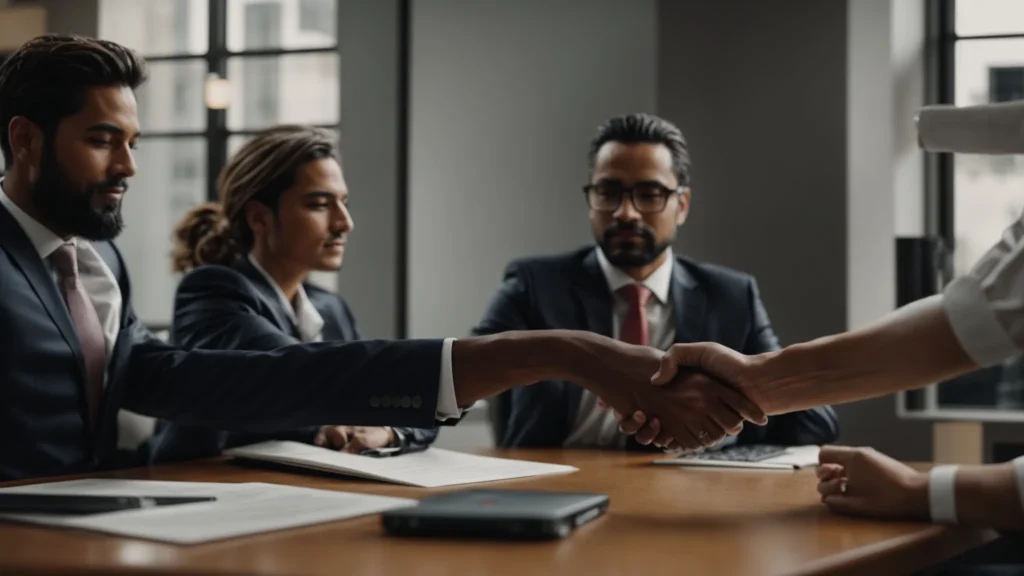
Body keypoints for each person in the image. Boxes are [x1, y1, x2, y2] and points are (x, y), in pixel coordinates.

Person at [0, 34, 763, 481]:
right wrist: (562, 350)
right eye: (104, 141)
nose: (129, 167)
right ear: (25, 139)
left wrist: (561, 352)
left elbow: (191, 379)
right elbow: (276, 382)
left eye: (133, 143)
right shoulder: (207, 287)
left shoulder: (100, 268)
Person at [627, 199, 1024, 531]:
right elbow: (972, 318)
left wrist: (920, 491)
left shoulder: (730, 290)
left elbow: (972, 320)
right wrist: (760, 381)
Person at [474, 113, 838, 451]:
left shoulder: (730, 296)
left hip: (685, 491)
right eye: (608, 193)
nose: (625, 212)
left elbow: (813, 423)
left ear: (682, 205)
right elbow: (463, 375)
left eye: (649, 194)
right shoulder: (535, 286)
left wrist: (724, 405)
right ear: (590, 199)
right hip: (560, 485)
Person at [145, 126, 436, 463]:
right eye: (318, 205)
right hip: (201, 489)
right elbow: (296, 375)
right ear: (259, 217)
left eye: (344, 203)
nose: (344, 223)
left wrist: (389, 431)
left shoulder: (331, 308)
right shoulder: (212, 292)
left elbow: (411, 403)